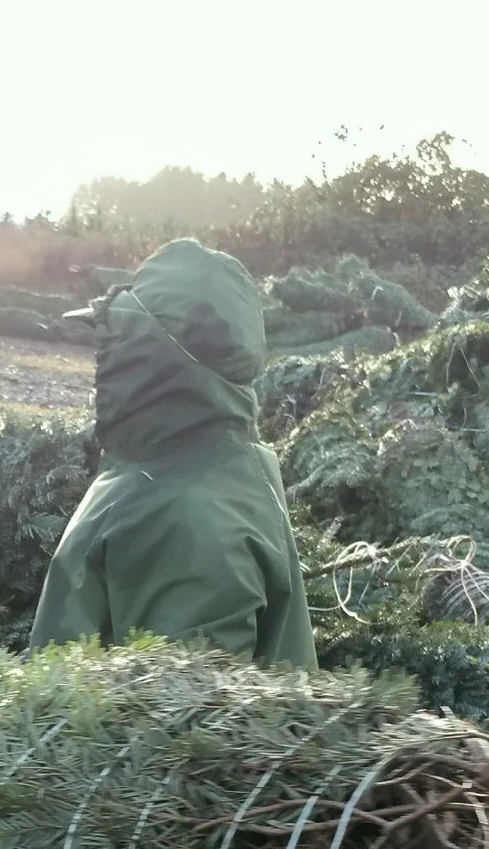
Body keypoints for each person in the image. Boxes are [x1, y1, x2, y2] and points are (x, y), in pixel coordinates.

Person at [29, 238, 316, 669]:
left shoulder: (187, 518)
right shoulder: (199, 464)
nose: (100, 363)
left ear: (143, 357)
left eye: (111, 344)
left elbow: (180, 728)